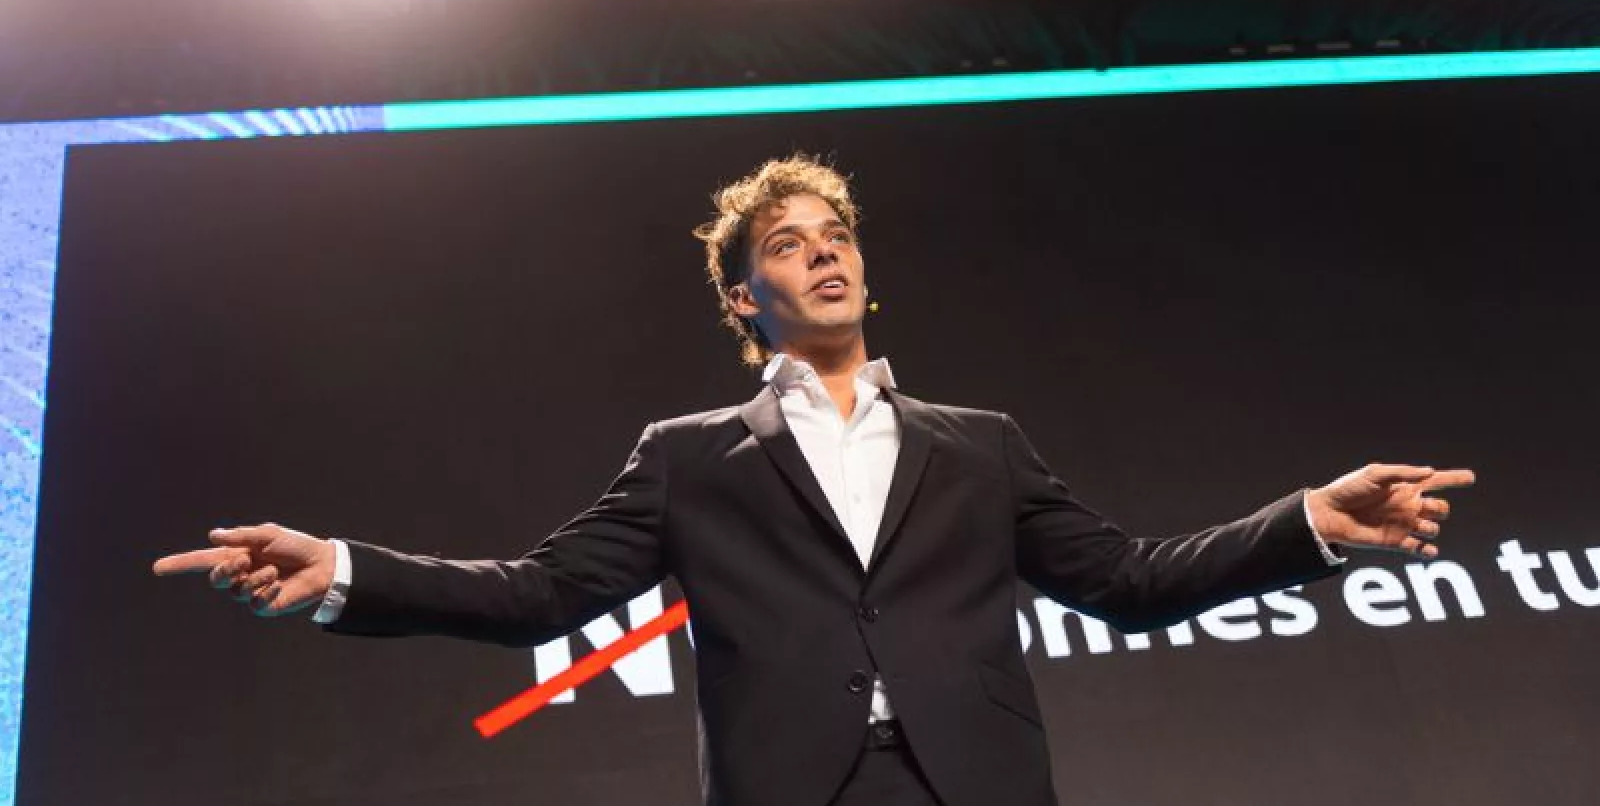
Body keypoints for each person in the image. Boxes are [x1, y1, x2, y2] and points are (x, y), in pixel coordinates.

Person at [154, 155, 1474, 806]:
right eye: (788, 245)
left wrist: (1309, 524)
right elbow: (537, 596)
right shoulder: (686, 457)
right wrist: (345, 570)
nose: (824, 253)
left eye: (837, 235)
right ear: (746, 296)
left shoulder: (982, 442)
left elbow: (1128, 582)